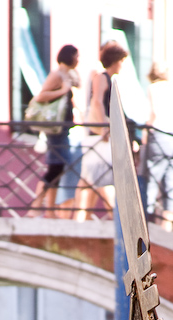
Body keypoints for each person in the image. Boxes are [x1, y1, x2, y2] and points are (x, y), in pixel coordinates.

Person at [78, 41, 129, 220]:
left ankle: (83, 217)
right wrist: (103, 128)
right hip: (99, 135)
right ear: (116, 60)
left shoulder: (109, 79)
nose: (123, 64)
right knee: (96, 176)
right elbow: (97, 102)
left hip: (102, 134)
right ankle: (112, 216)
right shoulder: (101, 77)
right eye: (122, 60)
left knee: (92, 177)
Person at [28, 45, 79, 218]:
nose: (78, 60)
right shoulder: (56, 75)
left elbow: (78, 83)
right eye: (76, 56)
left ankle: (48, 210)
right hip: (55, 130)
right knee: (54, 169)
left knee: (59, 168)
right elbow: (41, 96)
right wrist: (63, 90)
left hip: (62, 129)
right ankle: (36, 208)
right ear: (69, 56)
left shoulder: (66, 75)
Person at [143, 62, 173, 228]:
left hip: (160, 135)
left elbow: (153, 113)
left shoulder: (154, 88)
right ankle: (167, 228)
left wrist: (145, 136)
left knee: (152, 179)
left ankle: (148, 225)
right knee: (172, 183)